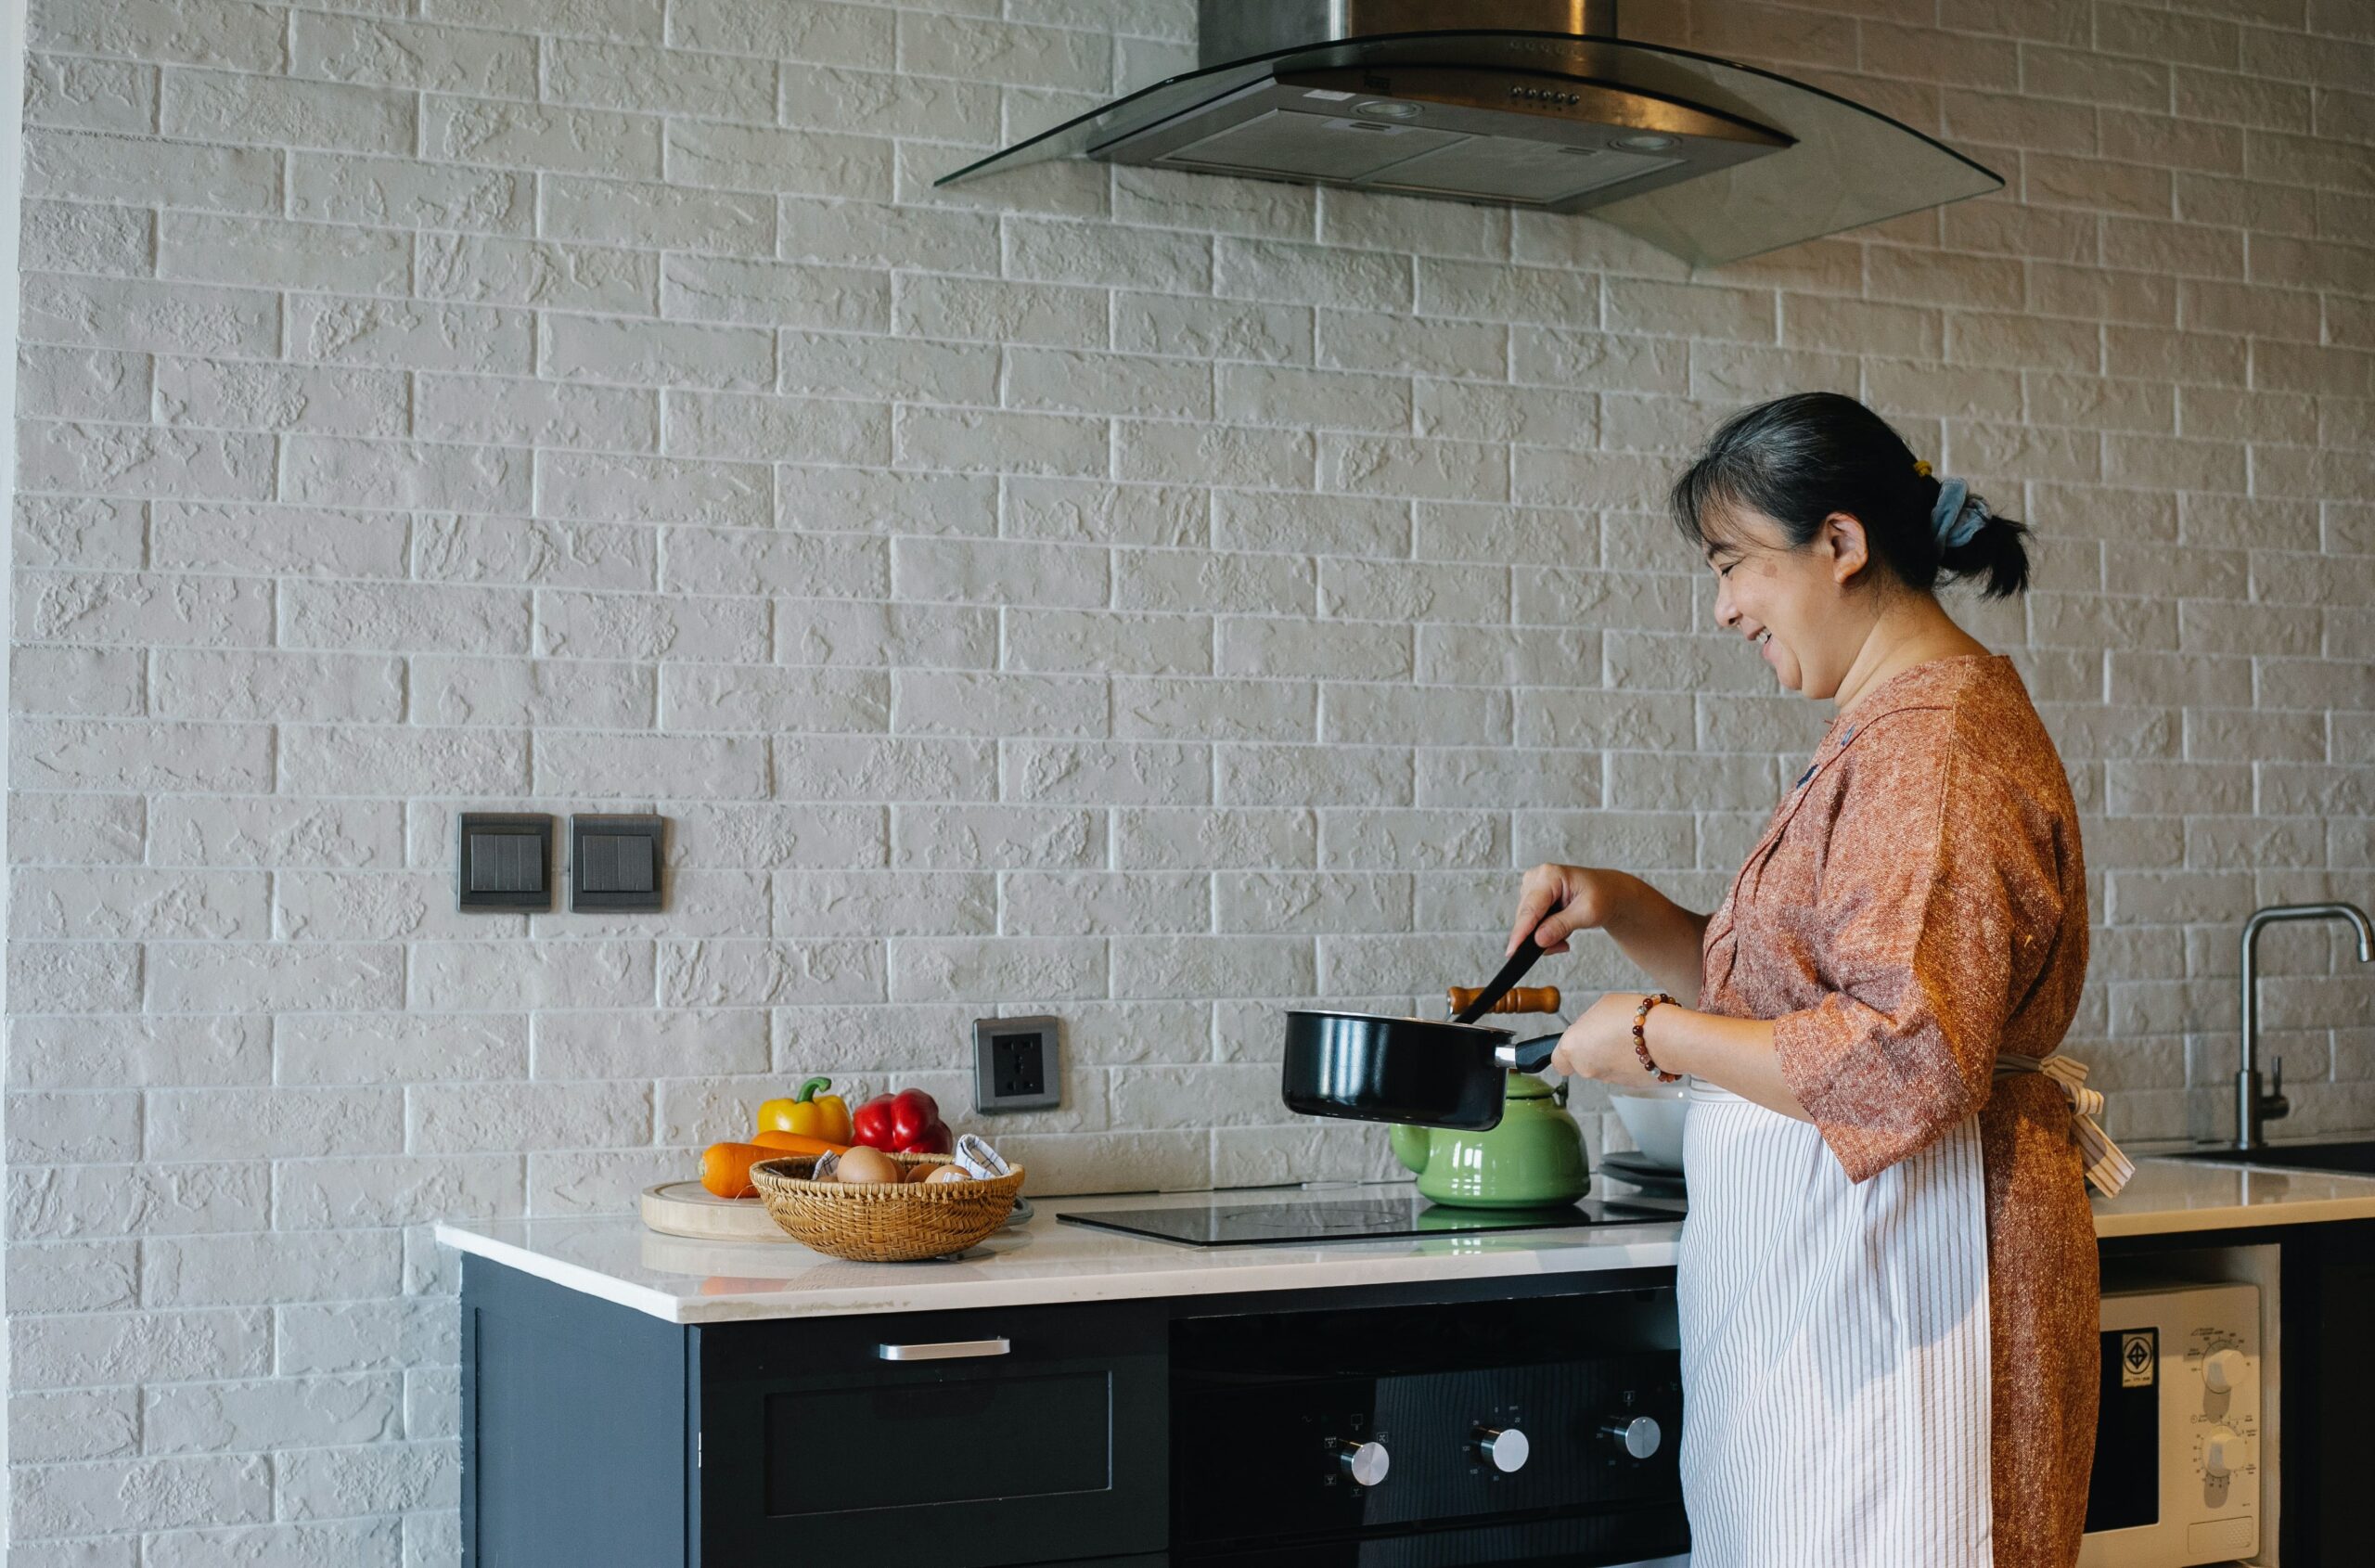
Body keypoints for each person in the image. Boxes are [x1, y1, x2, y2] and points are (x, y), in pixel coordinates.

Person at [1506, 392, 2127, 1568]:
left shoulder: (1934, 748)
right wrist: (1628, 909)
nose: (1723, 606)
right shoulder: (1885, 730)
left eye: (1733, 565)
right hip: (1846, 1288)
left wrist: (1652, 1033)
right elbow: (1801, 1001)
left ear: (1839, 543)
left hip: (1915, 1284)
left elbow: (1903, 1055)